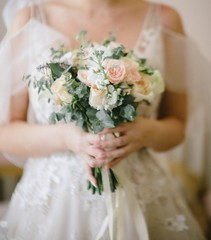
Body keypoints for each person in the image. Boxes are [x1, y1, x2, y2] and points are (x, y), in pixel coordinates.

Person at [0, 0, 209, 239]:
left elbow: (177, 126)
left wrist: (146, 132)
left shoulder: (164, 18)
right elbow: (6, 133)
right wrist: (67, 137)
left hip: (141, 194)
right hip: (54, 198)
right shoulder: (30, 19)